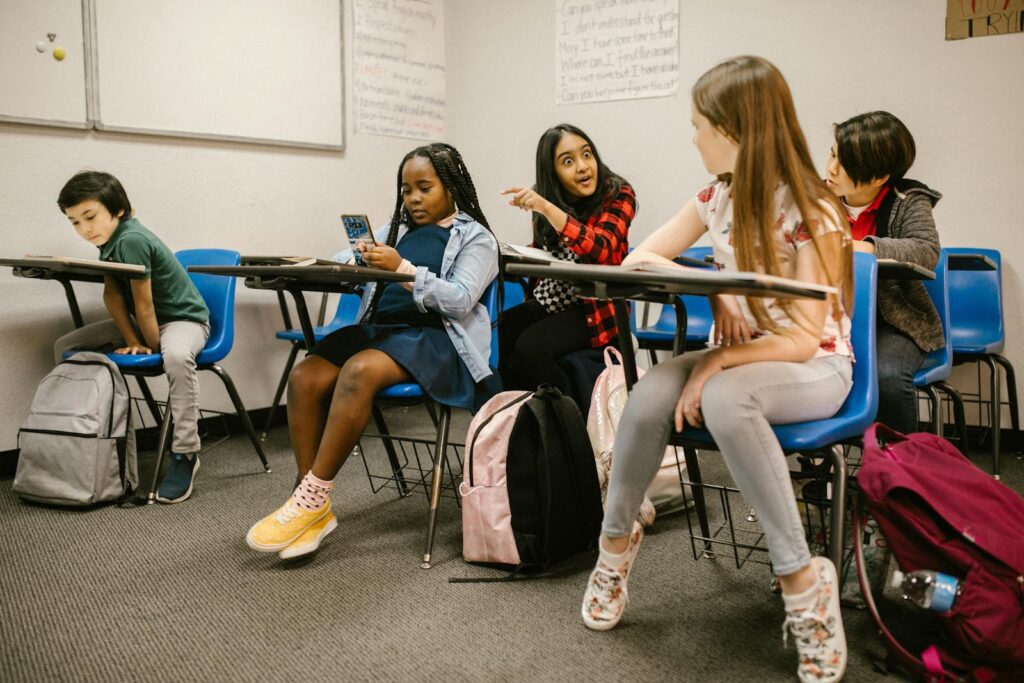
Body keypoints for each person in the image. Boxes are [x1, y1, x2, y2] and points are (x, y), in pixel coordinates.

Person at [581, 56, 854, 683]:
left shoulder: (814, 207)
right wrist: (713, 286)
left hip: (814, 365)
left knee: (729, 399)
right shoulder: (716, 197)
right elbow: (640, 258)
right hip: (741, 358)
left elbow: (804, 337)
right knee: (649, 395)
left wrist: (720, 363)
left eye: (699, 124)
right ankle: (615, 546)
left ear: (734, 131)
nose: (693, 136)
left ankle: (802, 581)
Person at [245, 143, 500, 560]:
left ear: (451, 188)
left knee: (359, 371)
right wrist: (356, 259)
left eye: (424, 188)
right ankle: (311, 501)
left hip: (437, 340)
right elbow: (348, 259)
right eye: (406, 190)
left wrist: (400, 268)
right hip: (381, 331)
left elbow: (458, 300)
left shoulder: (477, 238)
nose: (413, 199)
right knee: (305, 376)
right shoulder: (394, 229)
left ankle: (310, 499)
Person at [54, 171, 210, 504]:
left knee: (177, 357)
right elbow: (113, 297)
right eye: (75, 223)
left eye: (90, 217)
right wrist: (132, 337)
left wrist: (147, 345)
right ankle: (82, 442)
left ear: (118, 210)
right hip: (145, 322)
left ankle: (185, 453)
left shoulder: (131, 240)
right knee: (65, 346)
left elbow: (145, 304)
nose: (85, 229)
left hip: (183, 320)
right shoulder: (108, 242)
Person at [826, 111, 943, 434]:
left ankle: (898, 471)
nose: (831, 168)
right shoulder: (815, 197)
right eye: (833, 154)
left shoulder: (908, 201)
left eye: (845, 163)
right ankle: (822, 464)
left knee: (886, 375)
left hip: (894, 323)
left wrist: (869, 247)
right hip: (830, 318)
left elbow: (927, 250)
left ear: (879, 177)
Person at [498, 124, 635, 394]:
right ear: (553, 172)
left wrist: (548, 209)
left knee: (532, 347)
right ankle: (521, 418)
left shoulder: (618, 193)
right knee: (500, 332)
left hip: (597, 308)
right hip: (554, 299)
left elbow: (601, 248)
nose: (583, 167)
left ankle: (567, 426)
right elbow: (549, 254)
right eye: (568, 161)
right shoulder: (546, 197)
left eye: (587, 155)